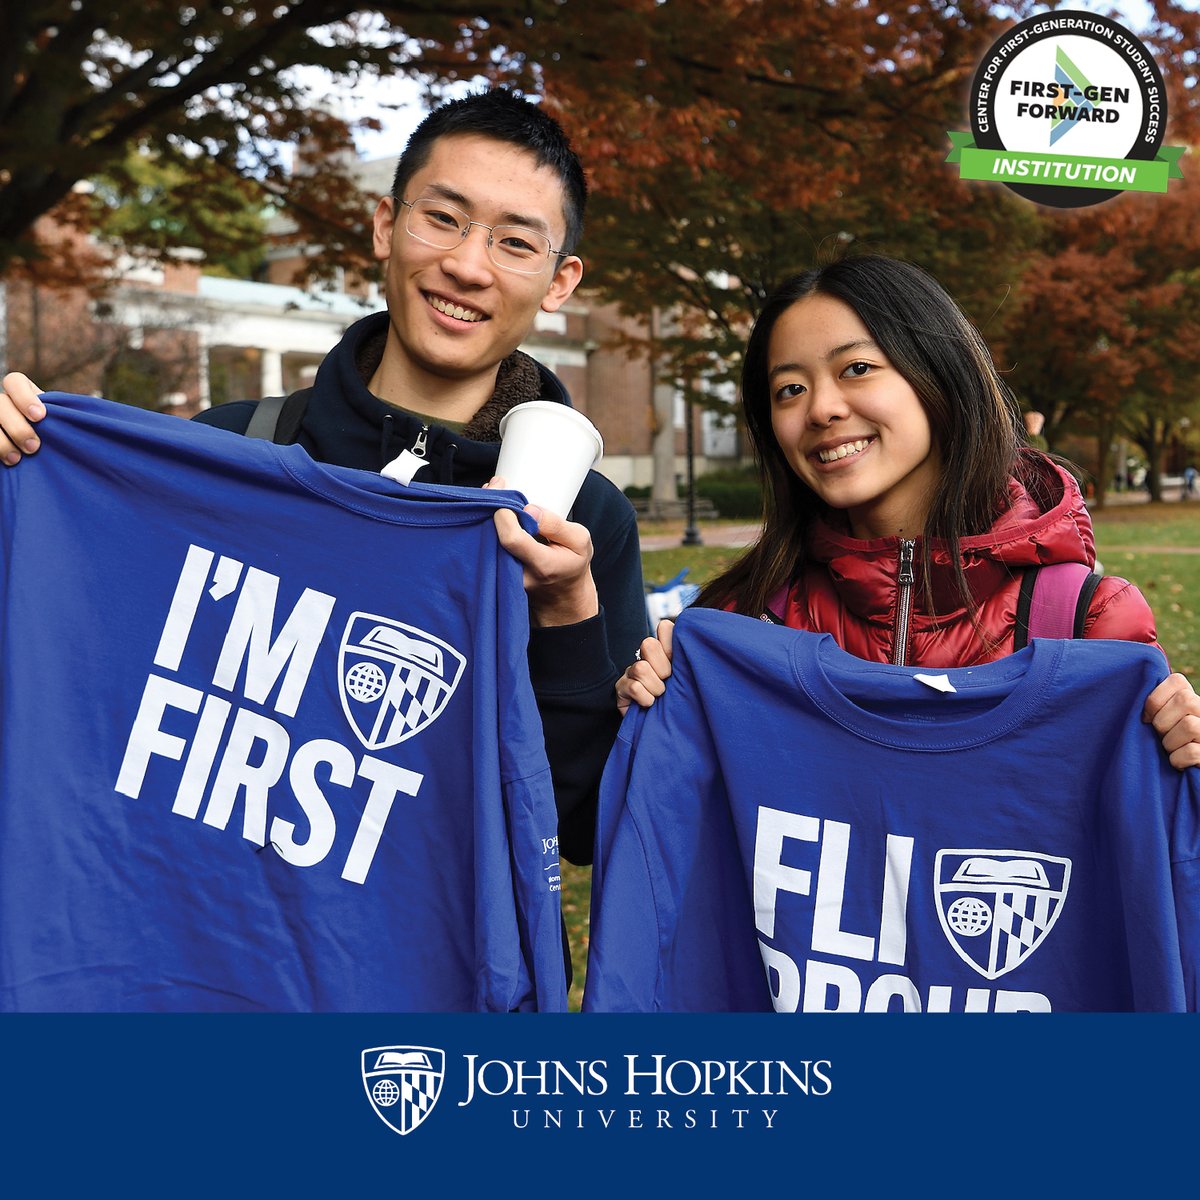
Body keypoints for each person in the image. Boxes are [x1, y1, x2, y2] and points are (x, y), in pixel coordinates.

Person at [0, 87, 648, 864]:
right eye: (441, 217)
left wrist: (567, 618)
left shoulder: (587, 524)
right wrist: (23, 475)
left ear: (560, 281)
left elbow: (588, 833)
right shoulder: (233, 450)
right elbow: (68, 679)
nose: (467, 265)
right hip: (193, 947)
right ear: (385, 225)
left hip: (419, 974)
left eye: (515, 243)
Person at [617, 254, 1200, 770]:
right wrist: (648, 721)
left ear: (940, 377)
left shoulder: (1089, 621)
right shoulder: (741, 624)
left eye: (857, 368)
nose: (821, 409)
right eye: (789, 389)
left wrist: (1186, 758)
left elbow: (1149, 858)